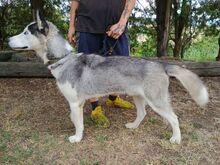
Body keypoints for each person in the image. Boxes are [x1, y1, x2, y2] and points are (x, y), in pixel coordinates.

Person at [68, 0, 137, 127]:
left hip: (116, 28)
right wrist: (71, 26)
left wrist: (122, 23)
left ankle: (113, 98)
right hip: (87, 27)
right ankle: (95, 108)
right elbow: (75, 2)